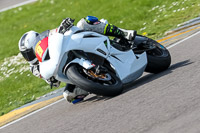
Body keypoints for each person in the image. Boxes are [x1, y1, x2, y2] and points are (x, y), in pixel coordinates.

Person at [18, 16, 136, 104]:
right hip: (70, 72)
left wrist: (63, 26)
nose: (30, 55)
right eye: (27, 54)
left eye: (30, 51)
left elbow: (58, 33)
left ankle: (123, 33)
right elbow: (54, 82)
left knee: (84, 23)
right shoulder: (35, 68)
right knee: (69, 96)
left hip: (75, 45)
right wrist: (51, 80)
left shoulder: (47, 37)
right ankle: (94, 83)